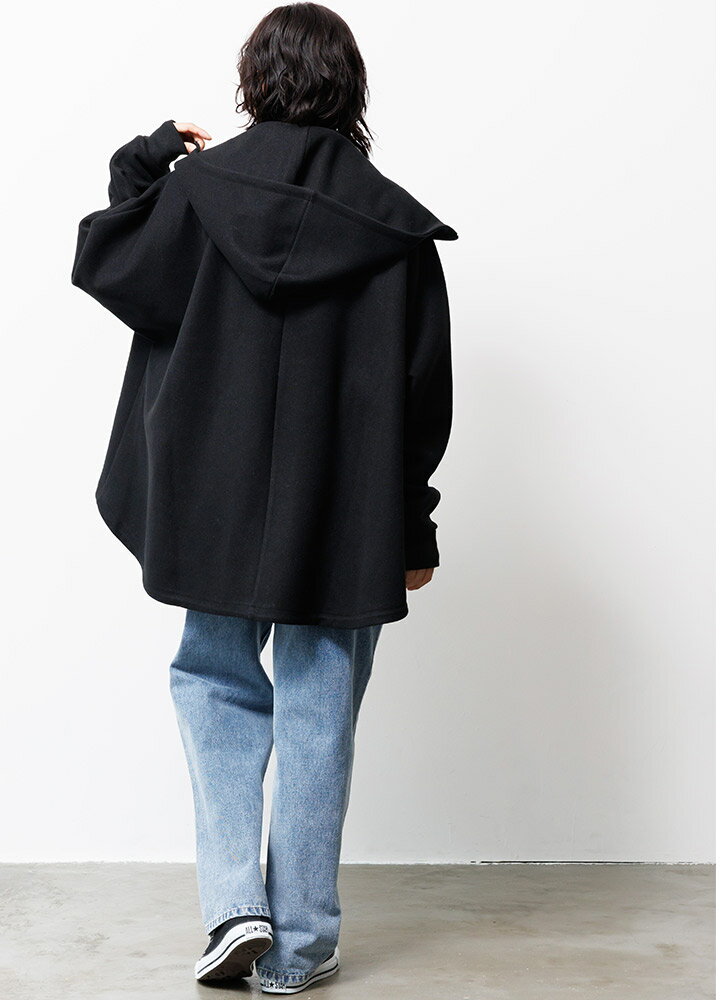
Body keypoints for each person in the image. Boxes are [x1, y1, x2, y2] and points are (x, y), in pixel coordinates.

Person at [71, 4, 457, 993]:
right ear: (351, 90)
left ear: (254, 83)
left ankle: (234, 902)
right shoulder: (394, 227)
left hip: (212, 500)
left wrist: (148, 158)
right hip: (342, 513)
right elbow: (423, 397)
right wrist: (413, 530)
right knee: (319, 708)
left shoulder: (196, 193)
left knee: (213, 680)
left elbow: (108, 258)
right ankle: (300, 948)